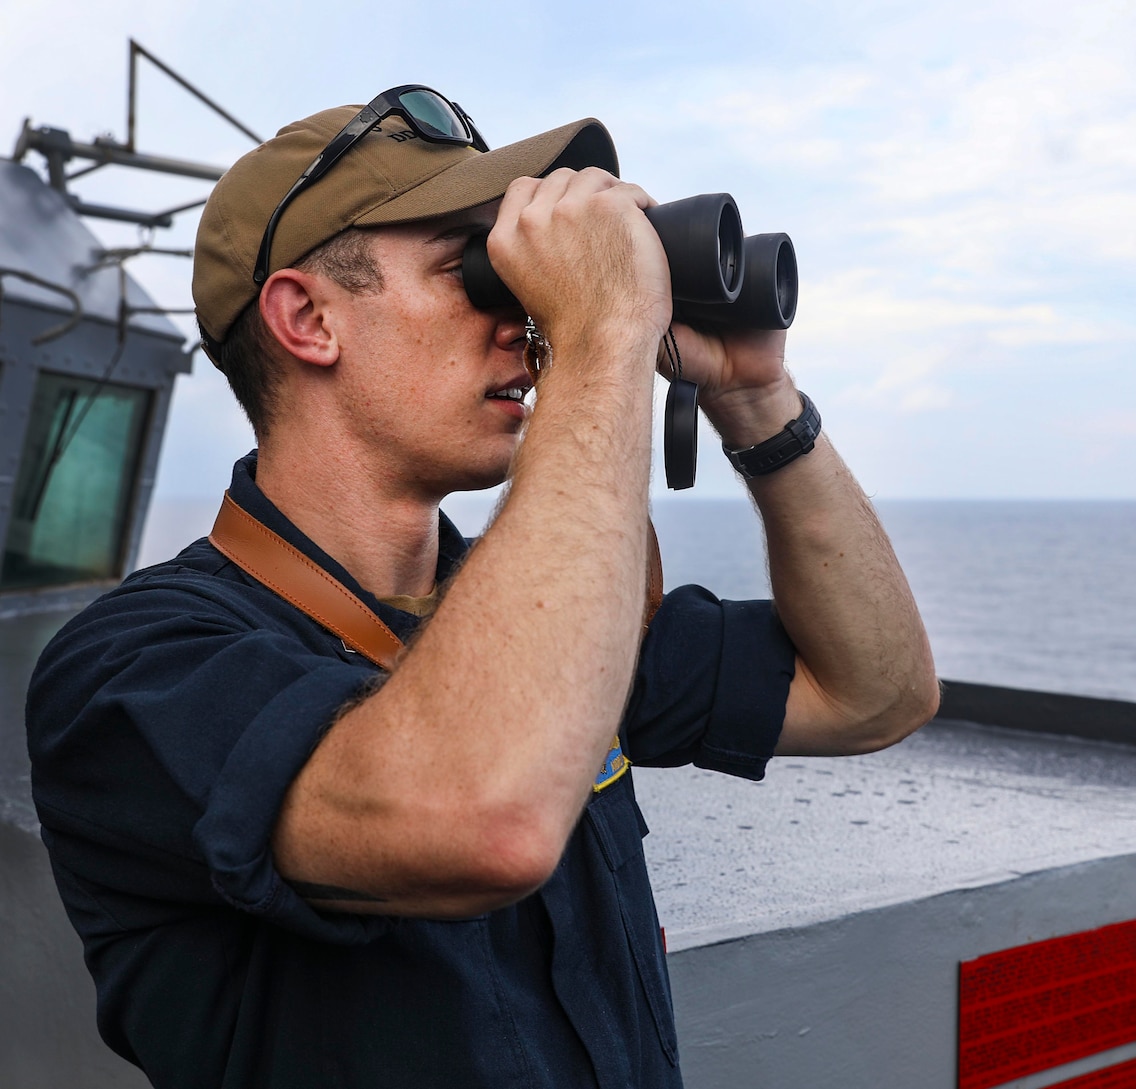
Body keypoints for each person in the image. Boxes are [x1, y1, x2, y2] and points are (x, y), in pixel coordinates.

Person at [27, 87, 938, 1089]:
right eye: (474, 269)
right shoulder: (132, 672)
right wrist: (600, 339)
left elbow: (872, 690)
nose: (523, 325)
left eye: (521, 277)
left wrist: (758, 398)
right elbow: (479, 818)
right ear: (308, 318)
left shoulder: (542, 620)